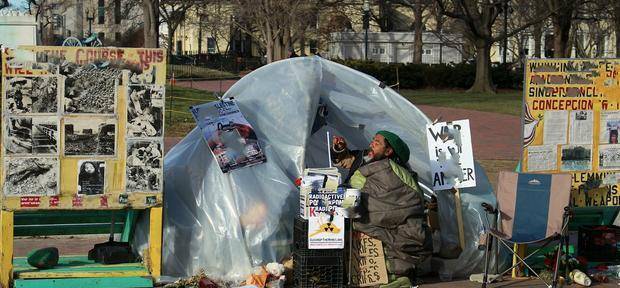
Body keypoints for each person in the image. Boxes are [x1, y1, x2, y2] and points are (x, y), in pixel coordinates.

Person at [331, 131, 432, 285]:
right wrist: (340, 149)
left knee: (353, 221)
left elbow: (377, 207)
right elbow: (352, 160)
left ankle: (393, 278)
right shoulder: (374, 160)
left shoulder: (385, 170)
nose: (371, 144)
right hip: (410, 237)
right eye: (373, 140)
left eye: (377, 142)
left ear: (388, 151)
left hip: (401, 236)